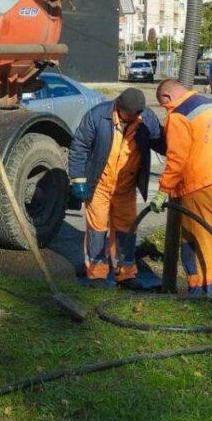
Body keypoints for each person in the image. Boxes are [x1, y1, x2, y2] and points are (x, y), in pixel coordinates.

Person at [152, 78, 212, 296]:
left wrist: (163, 190)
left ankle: (199, 288)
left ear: (167, 97)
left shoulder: (178, 116)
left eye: (164, 105)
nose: (166, 110)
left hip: (199, 183)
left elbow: (176, 158)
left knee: (194, 237)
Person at [69, 87, 165, 285]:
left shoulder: (145, 117)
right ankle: (97, 274)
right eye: (129, 115)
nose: (134, 118)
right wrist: (78, 179)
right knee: (97, 228)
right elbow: (79, 147)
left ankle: (126, 273)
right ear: (118, 107)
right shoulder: (97, 117)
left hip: (126, 186)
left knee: (126, 228)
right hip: (99, 185)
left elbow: (161, 142)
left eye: (137, 114)